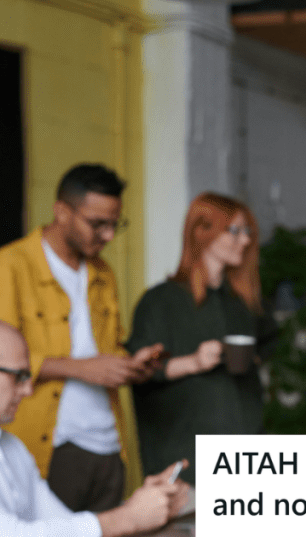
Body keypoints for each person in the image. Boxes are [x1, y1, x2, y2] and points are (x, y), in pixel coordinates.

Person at [0, 164, 163, 512]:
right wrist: (82, 369)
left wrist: (130, 364)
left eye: (114, 225)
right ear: (62, 211)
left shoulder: (103, 273)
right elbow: (4, 359)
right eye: (97, 224)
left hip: (109, 444)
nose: (107, 236)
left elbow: (108, 348)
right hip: (51, 445)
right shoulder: (10, 265)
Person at [0, 321, 189, 537]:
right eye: (19, 376)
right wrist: (127, 518)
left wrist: (147, 507)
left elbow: (62, 523)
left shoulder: (13, 449)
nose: (28, 389)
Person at [126, 193, 264, 486]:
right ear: (202, 232)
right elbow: (138, 371)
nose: (245, 240)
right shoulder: (160, 301)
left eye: (248, 232)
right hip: (186, 466)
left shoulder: (239, 304)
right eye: (235, 231)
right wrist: (194, 362)